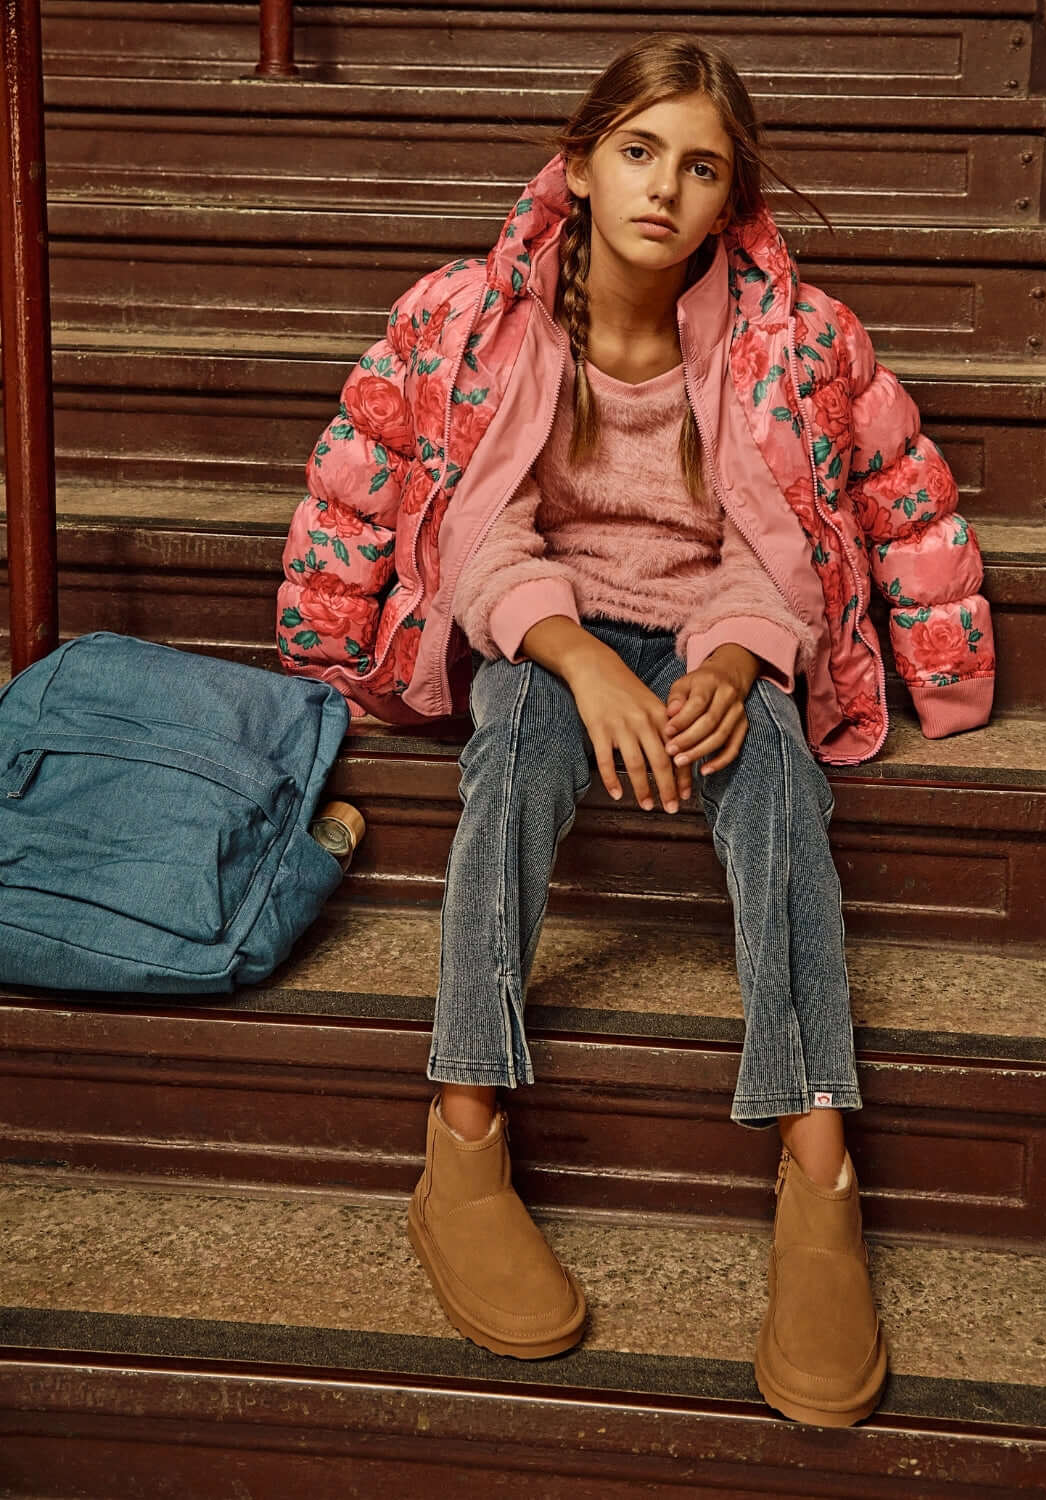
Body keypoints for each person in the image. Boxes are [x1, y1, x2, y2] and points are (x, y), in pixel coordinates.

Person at [276, 33, 995, 1427]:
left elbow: (794, 539)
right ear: (582, 166)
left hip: (712, 629)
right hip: (548, 631)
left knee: (778, 773)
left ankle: (820, 1168)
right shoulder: (483, 323)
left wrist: (733, 660)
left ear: (732, 204)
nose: (665, 187)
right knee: (509, 750)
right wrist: (577, 659)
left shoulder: (790, 343)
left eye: (702, 167)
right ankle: (464, 1134)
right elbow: (475, 533)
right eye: (640, 151)